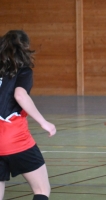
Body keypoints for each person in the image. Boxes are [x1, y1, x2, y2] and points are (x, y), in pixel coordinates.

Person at [0, 30, 56, 200]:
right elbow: (20, 95)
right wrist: (43, 122)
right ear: (25, 48)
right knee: (41, 189)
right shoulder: (23, 71)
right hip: (13, 138)